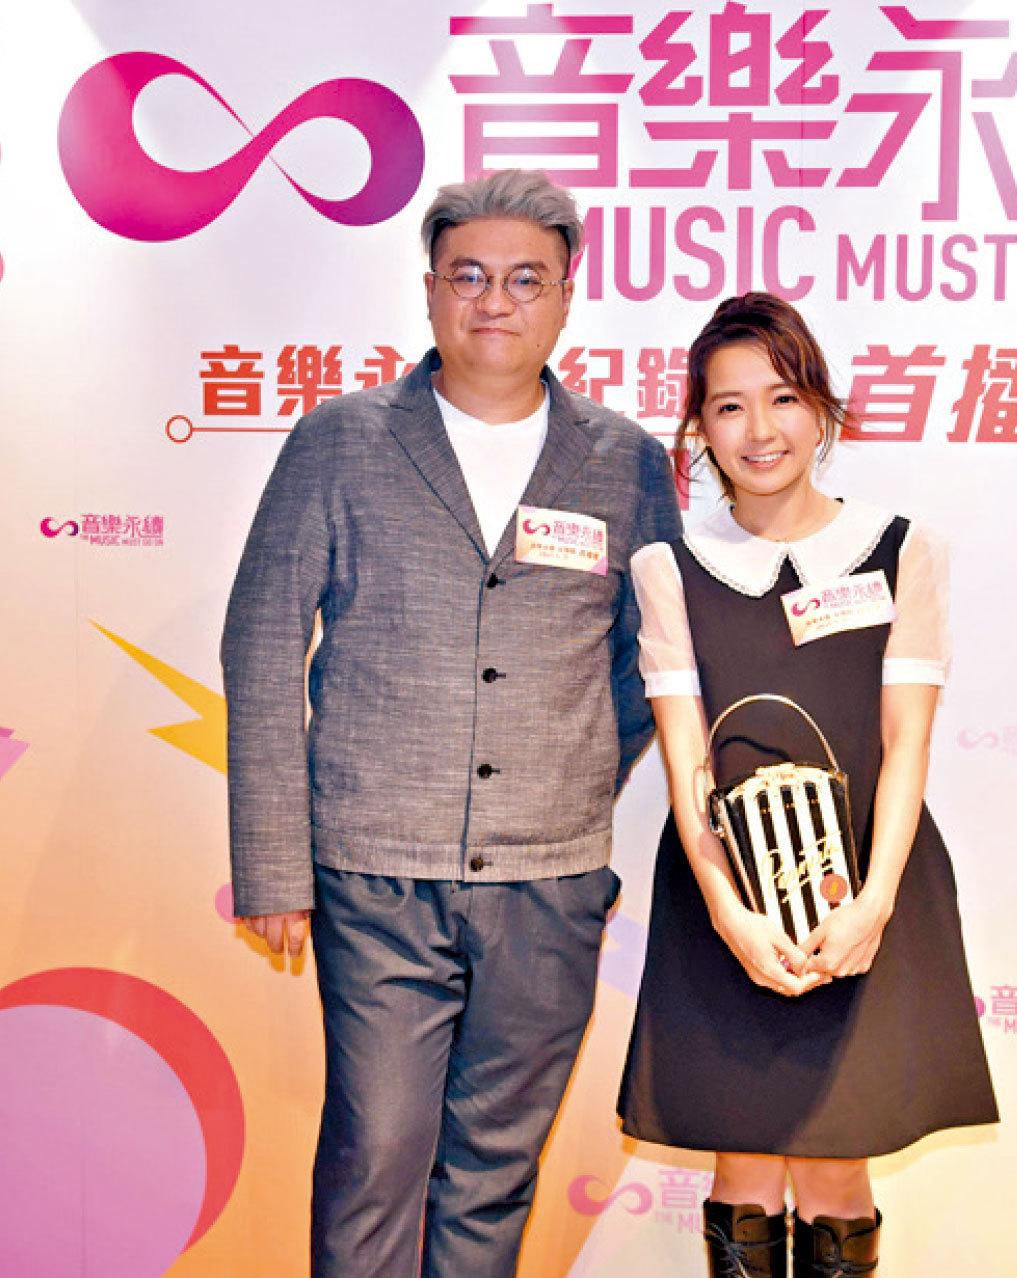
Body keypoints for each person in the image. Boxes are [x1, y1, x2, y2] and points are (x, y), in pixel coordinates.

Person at [221, 168, 682, 1277]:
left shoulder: (623, 460)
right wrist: (275, 864)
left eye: (526, 279)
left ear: (565, 297)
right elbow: (261, 642)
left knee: (494, 1170)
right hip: (375, 872)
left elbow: (650, 657)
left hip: (548, 880)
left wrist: (568, 770)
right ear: (430, 289)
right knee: (375, 1153)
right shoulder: (342, 441)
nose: (495, 301)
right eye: (468, 276)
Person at [616, 293, 999, 1277]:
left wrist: (873, 906)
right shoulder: (670, 567)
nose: (759, 428)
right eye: (729, 405)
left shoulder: (902, 549)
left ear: (820, 407)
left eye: (781, 397)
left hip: (867, 890)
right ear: (699, 427)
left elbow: (905, 740)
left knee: (835, 1172)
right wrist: (729, 915)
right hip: (726, 899)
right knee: (741, 1169)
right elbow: (688, 760)